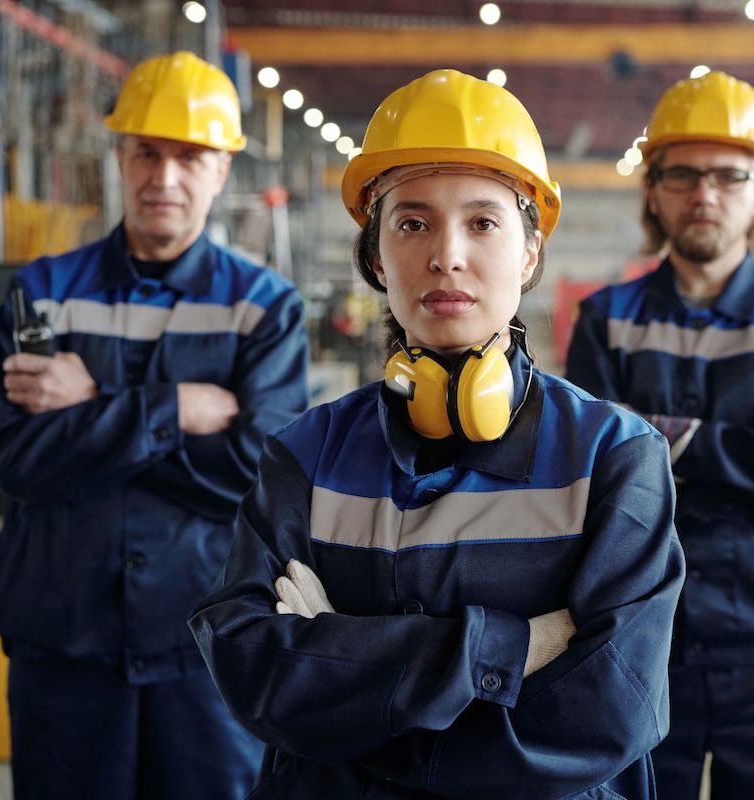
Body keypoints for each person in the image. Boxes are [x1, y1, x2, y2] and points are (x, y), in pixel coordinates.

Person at [190, 68, 685, 799]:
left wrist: (347, 670)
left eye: (483, 222)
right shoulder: (306, 454)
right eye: (412, 222)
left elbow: (607, 712)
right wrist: (508, 650)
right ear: (375, 257)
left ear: (529, 252)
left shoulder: (613, 457)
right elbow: (249, 665)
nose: (446, 254)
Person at [0, 51, 308, 799]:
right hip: (64, 646)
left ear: (222, 169)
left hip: (207, 649)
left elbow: (259, 473)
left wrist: (94, 405)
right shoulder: (43, 295)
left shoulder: (263, 306)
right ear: (119, 158)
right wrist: (176, 409)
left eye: (190, 157)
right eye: (147, 153)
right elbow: (15, 458)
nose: (165, 178)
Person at [565, 70, 754, 800]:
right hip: (639, 638)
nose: (704, 194)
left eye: (729, 176)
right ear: (653, 189)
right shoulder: (606, 321)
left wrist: (669, 443)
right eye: (682, 173)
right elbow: (587, 478)